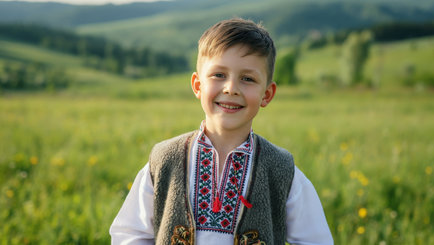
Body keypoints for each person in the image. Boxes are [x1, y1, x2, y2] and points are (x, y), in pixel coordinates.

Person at [110, 18, 333, 245]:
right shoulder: (164, 160)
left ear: (267, 94)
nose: (231, 88)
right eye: (219, 75)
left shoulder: (282, 171)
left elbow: (316, 240)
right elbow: (129, 234)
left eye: (247, 79)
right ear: (198, 85)